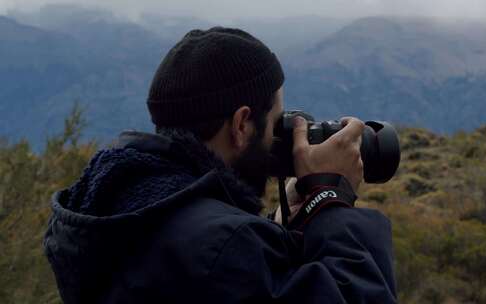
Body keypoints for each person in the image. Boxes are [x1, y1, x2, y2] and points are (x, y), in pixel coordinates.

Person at [44, 27, 397, 303]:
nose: (284, 137)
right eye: (277, 123)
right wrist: (329, 195)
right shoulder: (221, 246)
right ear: (241, 124)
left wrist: (276, 223)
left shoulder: (122, 207)